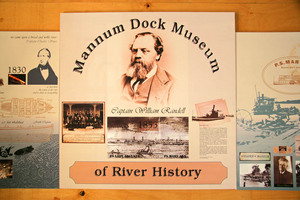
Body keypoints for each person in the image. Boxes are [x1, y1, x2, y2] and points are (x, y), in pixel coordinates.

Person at [121, 32, 174, 107]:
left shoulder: (172, 85)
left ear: (158, 55)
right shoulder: (120, 81)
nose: (137, 55)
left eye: (144, 51)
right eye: (134, 51)